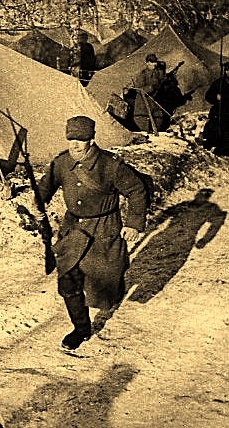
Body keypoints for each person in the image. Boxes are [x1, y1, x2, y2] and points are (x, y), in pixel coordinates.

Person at [37, 116, 148, 351]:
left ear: (91, 139)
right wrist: (36, 203)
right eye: (71, 139)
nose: (75, 145)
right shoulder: (61, 163)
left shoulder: (110, 165)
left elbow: (137, 190)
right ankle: (81, 328)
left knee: (103, 284)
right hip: (73, 229)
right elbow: (45, 187)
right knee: (68, 280)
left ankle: (108, 297)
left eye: (81, 139)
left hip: (103, 229)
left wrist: (133, 224)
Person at [132, 54, 190, 132]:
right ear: (147, 63)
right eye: (152, 62)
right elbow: (139, 89)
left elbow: (164, 83)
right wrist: (152, 87)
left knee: (158, 121)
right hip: (143, 104)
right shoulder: (142, 74)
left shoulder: (159, 72)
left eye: (155, 62)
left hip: (156, 103)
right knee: (144, 127)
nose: (154, 64)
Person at [200, 61, 229, 160]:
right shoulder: (219, 83)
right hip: (220, 112)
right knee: (217, 131)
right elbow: (208, 96)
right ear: (226, 71)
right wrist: (216, 97)